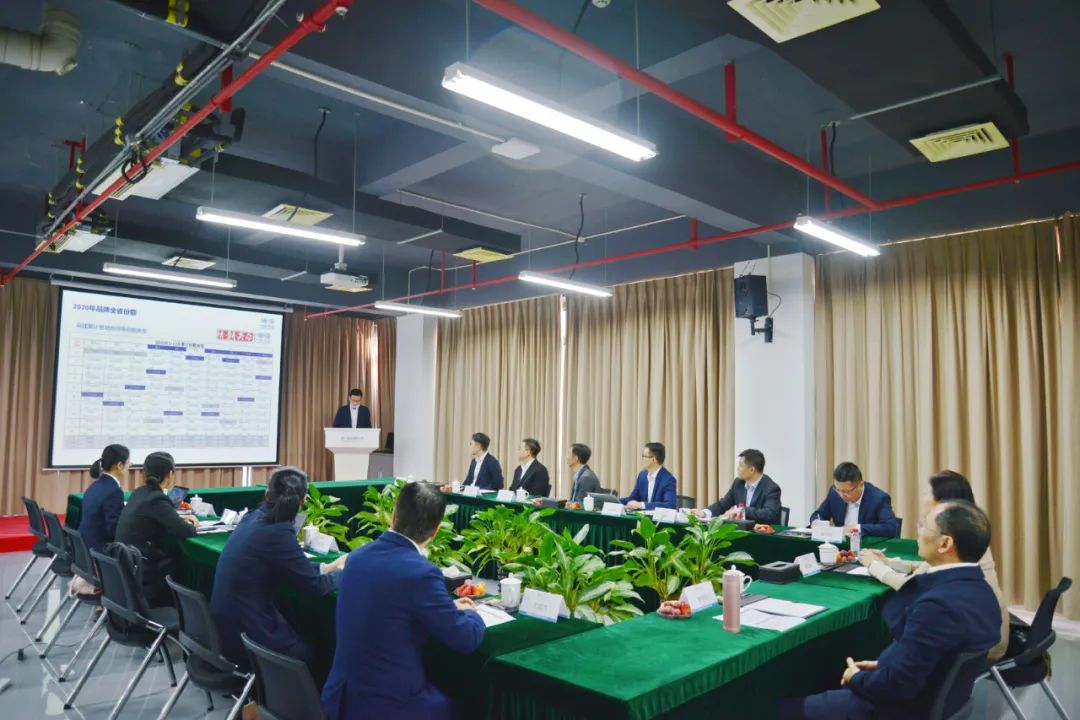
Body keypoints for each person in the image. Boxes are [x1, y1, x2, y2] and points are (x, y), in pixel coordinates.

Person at [780, 500, 1002, 720]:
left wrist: (856, 678)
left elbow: (896, 686)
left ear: (945, 543)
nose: (918, 532)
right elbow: (938, 657)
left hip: (892, 709)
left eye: (924, 526)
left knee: (778, 710)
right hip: (941, 702)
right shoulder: (982, 592)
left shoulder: (937, 606)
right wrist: (885, 664)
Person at [322, 481, 485, 720]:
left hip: (342, 698)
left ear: (393, 515)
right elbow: (466, 639)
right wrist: (472, 613)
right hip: (388, 705)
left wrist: (448, 607)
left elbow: (389, 605)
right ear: (435, 531)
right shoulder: (421, 573)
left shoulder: (357, 557)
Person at [858, 470, 1009, 661]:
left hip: (974, 649)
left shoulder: (954, 536)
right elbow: (927, 568)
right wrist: (890, 562)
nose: (922, 498)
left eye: (926, 493)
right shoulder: (969, 529)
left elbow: (911, 586)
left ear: (942, 501)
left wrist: (874, 566)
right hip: (986, 632)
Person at [211, 467, 346, 672]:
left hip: (224, 624)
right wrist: (344, 571)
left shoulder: (253, 517)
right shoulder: (278, 531)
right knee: (310, 656)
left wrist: (328, 567)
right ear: (304, 501)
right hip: (245, 631)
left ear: (267, 494)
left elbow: (292, 566)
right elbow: (314, 587)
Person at [114, 451, 199, 606]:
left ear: (144, 473)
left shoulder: (139, 493)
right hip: (143, 566)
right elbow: (187, 531)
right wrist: (190, 523)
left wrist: (177, 519)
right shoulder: (157, 498)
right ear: (170, 474)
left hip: (126, 561)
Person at [691, 449, 782, 524]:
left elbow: (768, 514)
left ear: (752, 470)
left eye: (741, 466)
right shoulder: (738, 484)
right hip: (742, 531)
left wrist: (742, 511)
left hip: (763, 535)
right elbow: (722, 504)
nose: (737, 468)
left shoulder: (771, 489)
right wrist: (704, 513)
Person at [809, 462, 898, 537]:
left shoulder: (878, 498)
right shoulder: (834, 493)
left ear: (860, 485)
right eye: (838, 490)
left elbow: (890, 527)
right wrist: (816, 522)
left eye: (846, 491)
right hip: (841, 548)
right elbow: (820, 513)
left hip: (866, 547)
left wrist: (856, 529)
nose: (842, 495)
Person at [78, 444, 129, 553]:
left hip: (84, 549)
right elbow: (114, 531)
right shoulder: (114, 491)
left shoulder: (95, 485)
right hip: (100, 552)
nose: (129, 467)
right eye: (129, 463)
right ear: (120, 465)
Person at [622, 442, 677, 510]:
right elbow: (632, 499)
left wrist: (642, 505)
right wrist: (614, 501)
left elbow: (670, 505)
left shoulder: (668, 480)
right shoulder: (642, 476)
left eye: (644, 456)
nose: (642, 459)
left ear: (653, 459)